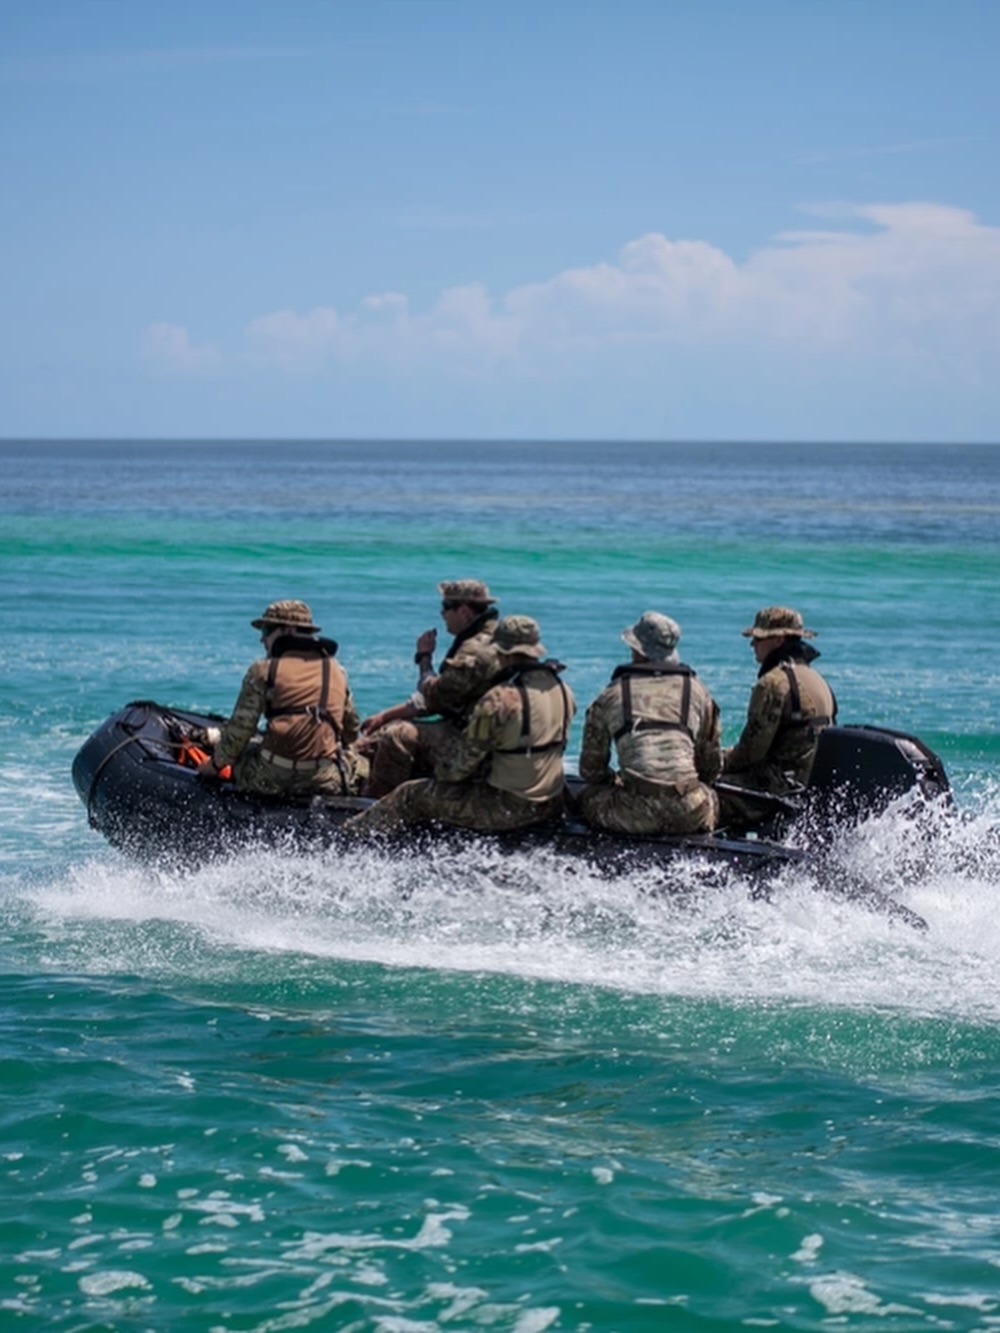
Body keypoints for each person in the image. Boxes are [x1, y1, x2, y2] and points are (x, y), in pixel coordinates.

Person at [343, 615, 576, 837]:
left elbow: (458, 769)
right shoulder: (563, 690)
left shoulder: (500, 699)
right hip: (550, 802)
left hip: (507, 808)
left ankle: (349, 839)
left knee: (410, 794)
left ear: (502, 652)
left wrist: (433, 773)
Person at [197, 599, 364, 797]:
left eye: (267, 631)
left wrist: (213, 766)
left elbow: (240, 731)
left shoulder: (264, 670)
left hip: (269, 779)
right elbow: (351, 731)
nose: (262, 640)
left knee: (244, 753)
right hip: (324, 779)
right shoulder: (337, 671)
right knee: (360, 763)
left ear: (289, 630)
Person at [576, 611, 721, 836]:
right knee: (709, 795)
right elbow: (710, 767)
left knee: (587, 797)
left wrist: (615, 781)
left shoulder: (612, 694)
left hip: (633, 813)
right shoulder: (699, 692)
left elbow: (590, 770)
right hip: (689, 813)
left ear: (636, 650)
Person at [359, 579, 503, 796]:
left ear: (463, 611)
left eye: (446, 608)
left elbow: (436, 697)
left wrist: (424, 657)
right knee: (375, 737)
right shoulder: (494, 638)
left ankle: (376, 808)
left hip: (476, 745)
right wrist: (385, 715)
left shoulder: (474, 651)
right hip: (479, 734)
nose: (442, 614)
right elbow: (445, 697)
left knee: (396, 735)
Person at [719, 605, 837, 827]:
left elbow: (750, 754)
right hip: (806, 785)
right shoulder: (819, 680)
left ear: (778, 641)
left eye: (758, 638)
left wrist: (712, 762)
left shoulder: (774, 683)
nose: (752, 644)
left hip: (775, 790)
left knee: (700, 794)